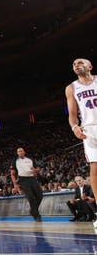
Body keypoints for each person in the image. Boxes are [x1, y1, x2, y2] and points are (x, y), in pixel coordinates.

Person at [66, 58, 97, 228]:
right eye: (73, 64)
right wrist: (74, 127)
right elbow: (72, 112)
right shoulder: (71, 88)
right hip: (89, 129)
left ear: (90, 66)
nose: (76, 65)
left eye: (80, 62)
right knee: (95, 167)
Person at [9, 147, 43, 222]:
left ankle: (33, 210)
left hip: (32, 178)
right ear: (17, 153)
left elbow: (37, 169)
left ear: (24, 152)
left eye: (21, 151)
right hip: (22, 179)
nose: (20, 152)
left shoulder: (30, 160)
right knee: (30, 197)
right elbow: (12, 174)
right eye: (18, 151)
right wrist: (15, 184)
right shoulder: (15, 161)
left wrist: (35, 170)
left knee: (40, 195)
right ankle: (36, 215)